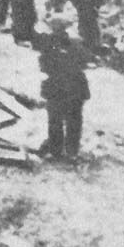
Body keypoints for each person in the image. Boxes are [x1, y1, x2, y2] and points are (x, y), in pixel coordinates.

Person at [38, 19, 90, 160]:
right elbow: (85, 61)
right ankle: (72, 151)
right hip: (76, 86)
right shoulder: (77, 43)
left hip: (56, 86)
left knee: (55, 120)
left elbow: (43, 65)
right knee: (74, 120)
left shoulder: (48, 44)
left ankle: (56, 151)